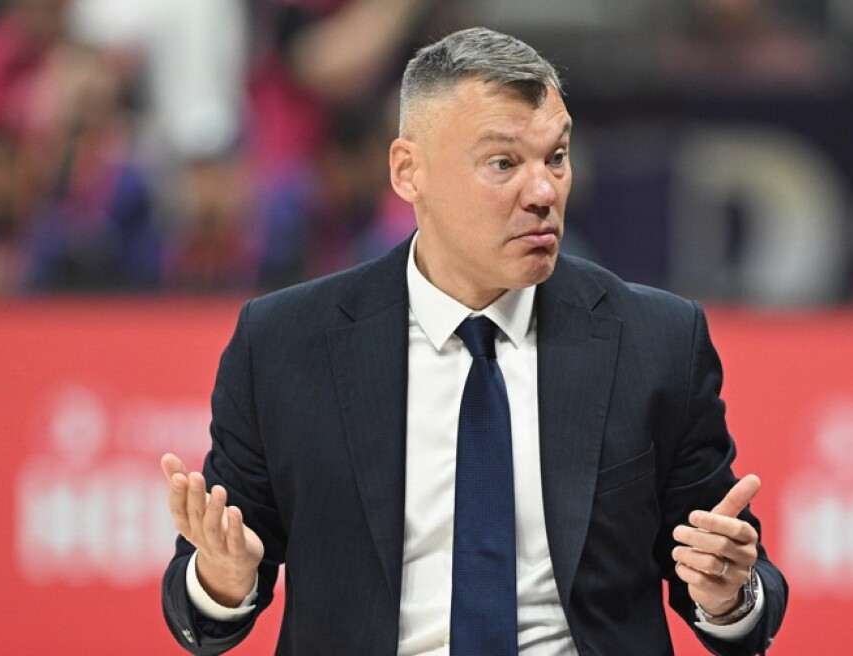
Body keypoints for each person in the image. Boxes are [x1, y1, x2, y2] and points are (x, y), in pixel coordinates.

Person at [160, 27, 788, 655]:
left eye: (556, 157)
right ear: (408, 172)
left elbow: (736, 579)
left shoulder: (655, 341)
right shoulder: (284, 344)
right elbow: (208, 597)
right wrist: (221, 582)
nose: (543, 192)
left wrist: (728, 596)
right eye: (503, 163)